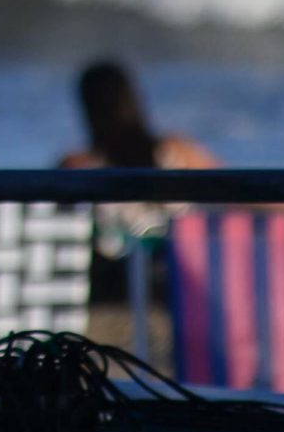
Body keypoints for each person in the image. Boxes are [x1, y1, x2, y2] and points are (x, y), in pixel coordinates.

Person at [57, 58, 219, 301]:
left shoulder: (77, 165)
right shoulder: (177, 151)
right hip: (178, 271)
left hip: (109, 278)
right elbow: (234, 189)